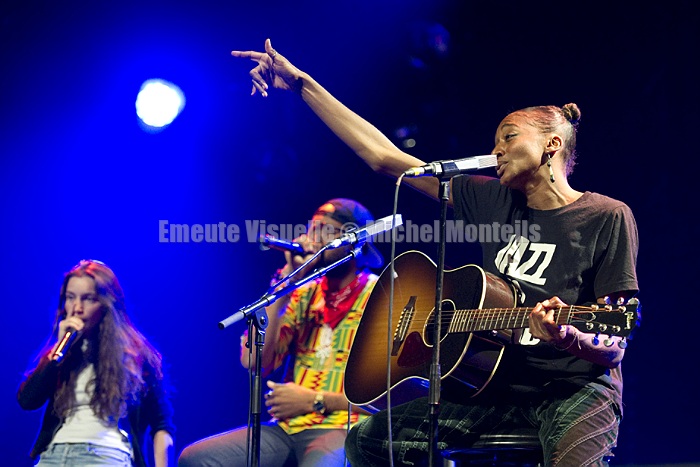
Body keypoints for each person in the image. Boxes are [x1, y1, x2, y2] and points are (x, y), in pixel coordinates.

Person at [229, 39, 640, 466]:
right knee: (369, 440)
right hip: (498, 385)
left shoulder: (606, 215)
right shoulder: (491, 198)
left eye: (508, 137)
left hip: (574, 390)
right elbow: (383, 157)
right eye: (495, 141)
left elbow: (615, 343)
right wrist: (302, 84)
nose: (496, 150)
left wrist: (570, 336)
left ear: (552, 144)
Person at [178, 198, 383, 466]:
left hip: (346, 425)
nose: (314, 238)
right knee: (197, 458)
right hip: (288, 427)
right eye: (312, 228)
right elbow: (254, 361)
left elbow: (390, 398)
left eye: (325, 229)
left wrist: (316, 401)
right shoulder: (302, 292)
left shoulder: (380, 295)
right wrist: (288, 279)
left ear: (354, 241)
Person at [17, 259, 176, 466]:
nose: (77, 308)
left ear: (106, 304)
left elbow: (161, 425)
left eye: (88, 299)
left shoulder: (135, 356)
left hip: (104, 454)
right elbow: (27, 401)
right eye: (70, 298)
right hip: (54, 454)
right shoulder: (61, 353)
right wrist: (56, 353)